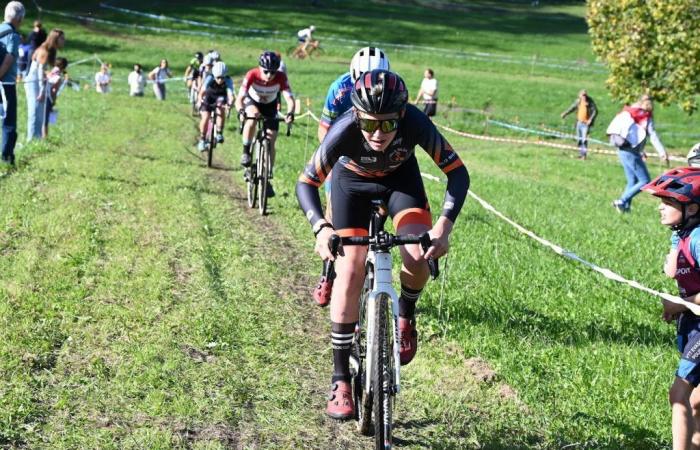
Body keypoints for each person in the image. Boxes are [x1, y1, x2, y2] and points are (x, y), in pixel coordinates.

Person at [296, 69, 469, 419]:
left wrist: (443, 228)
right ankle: (341, 379)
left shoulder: (416, 123)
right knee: (349, 269)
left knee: (417, 254)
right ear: (356, 115)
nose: (377, 134)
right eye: (369, 124)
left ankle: (406, 314)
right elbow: (306, 183)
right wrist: (320, 228)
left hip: (400, 183)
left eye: (387, 126)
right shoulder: (344, 129)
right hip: (351, 187)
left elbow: (458, 173)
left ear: (401, 117)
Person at [643, 167, 700, 450]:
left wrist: (681, 304)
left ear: (692, 207)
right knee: (696, 402)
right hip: (693, 324)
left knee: (679, 395)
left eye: (667, 202)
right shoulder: (683, 233)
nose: (660, 208)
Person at [235, 50, 295, 196]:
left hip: (270, 106)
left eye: (273, 72)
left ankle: (267, 176)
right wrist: (241, 111)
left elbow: (289, 99)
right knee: (253, 116)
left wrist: (290, 113)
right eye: (266, 72)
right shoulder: (252, 74)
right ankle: (246, 151)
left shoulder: (281, 77)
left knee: (271, 139)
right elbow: (239, 99)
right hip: (252, 102)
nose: (269, 75)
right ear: (260, 68)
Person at [606, 94, 668, 213]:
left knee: (632, 181)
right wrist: (662, 152)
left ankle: (625, 208)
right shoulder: (645, 116)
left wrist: (641, 151)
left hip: (622, 149)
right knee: (645, 181)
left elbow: (633, 134)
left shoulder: (630, 112)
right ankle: (622, 201)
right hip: (631, 152)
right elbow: (652, 136)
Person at [25, 27, 63, 141]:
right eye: (62, 39)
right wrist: (42, 91)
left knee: (40, 111)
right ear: (55, 39)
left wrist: (51, 74)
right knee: (35, 111)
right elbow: (40, 71)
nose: (64, 41)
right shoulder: (45, 51)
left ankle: (38, 138)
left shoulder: (51, 50)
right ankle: (31, 139)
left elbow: (44, 71)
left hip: (40, 81)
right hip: (34, 82)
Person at [0, 1, 24, 166]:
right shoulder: (13, 36)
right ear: (20, 19)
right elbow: (9, 59)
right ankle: (6, 157)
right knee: (9, 121)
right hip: (6, 85)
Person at [197, 61, 234, 151]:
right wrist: (200, 100)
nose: (220, 80)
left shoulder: (228, 80)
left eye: (222, 78)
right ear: (214, 75)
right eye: (218, 78)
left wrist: (230, 104)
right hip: (209, 97)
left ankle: (219, 132)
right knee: (205, 117)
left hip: (220, 97)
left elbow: (231, 94)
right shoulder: (209, 77)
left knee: (221, 111)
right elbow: (202, 92)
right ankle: (202, 139)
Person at [560, 89, 598, 160]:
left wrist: (590, 119)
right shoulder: (578, 101)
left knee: (584, 140)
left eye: (585, 95)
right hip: (579, 123)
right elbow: (572, 108)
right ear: (580, 95)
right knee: (579, 140)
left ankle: (584, 156)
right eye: (583, 95)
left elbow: (595, 111)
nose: (584, 96)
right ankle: (581, 154)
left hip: (585, 124)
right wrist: (565, 113)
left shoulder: (590, 102)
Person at [42, 56, 67, 138]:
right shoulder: (58, 77)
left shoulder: (49, 72)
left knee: (42, 116)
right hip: (48, 98)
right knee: (45, 119)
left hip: (41, 95)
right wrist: (54, 100)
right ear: (63, 67)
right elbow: (54, 90)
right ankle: (45, 136)